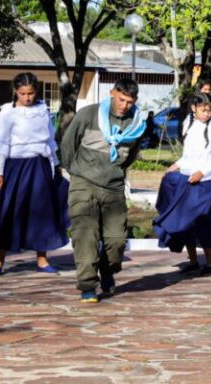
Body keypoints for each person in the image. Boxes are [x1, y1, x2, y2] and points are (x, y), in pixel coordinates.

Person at [61, 78, 145, 303]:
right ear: (112, 93)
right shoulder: (89, 114)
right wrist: (76, 173)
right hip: (83, 183)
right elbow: (68, 144)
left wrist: (115, 172)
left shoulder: (137, 124)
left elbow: (130, 157)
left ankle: (108, 270)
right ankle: (88, 285)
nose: (124, 105)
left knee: (116, 240)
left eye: (129, 101)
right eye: (121, 99)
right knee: (85, 234)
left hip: (113, 187)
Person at [0, 72, 69, 275]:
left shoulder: (43, 110)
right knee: (9, 210)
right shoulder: (7, 113)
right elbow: (1, 143)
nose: (27, 97)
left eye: (31, 93)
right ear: (15, 92)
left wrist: (55, 164)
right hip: (15, 167)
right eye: (22, 93)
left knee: (41, 211)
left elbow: (49, 141)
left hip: (40, 165)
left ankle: (42, 260)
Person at [153, 93, 211, 275]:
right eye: (203, 110)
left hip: (205, 183)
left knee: (203, 221)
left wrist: (202, 172)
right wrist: (176, 165)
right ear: (193, 108)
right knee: (186, 222)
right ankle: (193, 260)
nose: (207, 113)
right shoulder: (188, 125)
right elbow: (188, 155)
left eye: (209, 110)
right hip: (186, 178)